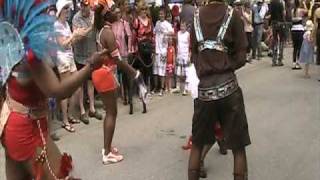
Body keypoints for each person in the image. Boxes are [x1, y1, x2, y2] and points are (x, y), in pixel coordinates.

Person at [0, 0, 107, 179]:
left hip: (12, 123)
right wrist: (90, 66)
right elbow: (57, 90)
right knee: (59, 176)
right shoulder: (30, 55)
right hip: (26, 127)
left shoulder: (14, 47)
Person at [189, 1, 251, 180]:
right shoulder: (233, 15)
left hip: (204, 90)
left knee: (197, 145)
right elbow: (241, 57)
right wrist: (224, 66)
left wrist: (205, 68)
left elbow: (193, 53)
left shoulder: (196, 16)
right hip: (229, 89)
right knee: (238, 148)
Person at [92, 0, 146, 164]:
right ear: (107, 14)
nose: (118, 11)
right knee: (111, 113)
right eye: (115, 9)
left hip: (103, 73)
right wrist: (134, 72)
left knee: (110, 112)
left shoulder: (102, 30)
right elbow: (118, 60)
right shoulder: (108, 33)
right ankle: (107, 153)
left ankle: (106, 147)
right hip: (105, 73)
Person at [55, 0, 85, 132]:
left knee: (77, 88)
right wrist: (74, 35)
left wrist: (78, 35)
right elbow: (62, 44)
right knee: (66, 91)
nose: (68, 11)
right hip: (62, 59)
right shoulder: (56, 26)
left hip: (70, 57)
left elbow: (70, 42)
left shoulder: (66, 24)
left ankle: (70, 115)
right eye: (66, 8)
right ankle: (65, 120)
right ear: (60, 10)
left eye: (68, 8)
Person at [72, 0, 103, 124]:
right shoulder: (76, 18)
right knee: (80, 84)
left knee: (91, 82)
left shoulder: (93, 15)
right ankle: (82, 111)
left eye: (86, 6)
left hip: (91, 55)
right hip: (79, 55)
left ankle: (92, 109)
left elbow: (97, 35)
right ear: (80, 6)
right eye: (83, 6)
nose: (85, 8)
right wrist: (90, 27)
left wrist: (100, 52)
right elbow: (78, 36)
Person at [153, 7, 174, 96]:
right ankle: (156, 87)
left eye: (162, 14)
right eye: (159, 14)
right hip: (157, 49)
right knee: (155, 69)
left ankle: (162, 88)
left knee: (162, 69)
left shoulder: (167, 24)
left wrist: (165, 33)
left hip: (163, 50)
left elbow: (172, 33)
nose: (161, 15)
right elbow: (154, 33)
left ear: (164, 15)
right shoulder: (157, 23)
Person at [174, 21, 190, 95]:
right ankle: (178, 87)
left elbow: (190, 47)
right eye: (181, 26)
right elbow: (177, 44)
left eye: (183, 26)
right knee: (178, 73)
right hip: (179, 55)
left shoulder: (188, 34)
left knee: (186, 73)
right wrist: (176, 55)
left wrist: (189, 56)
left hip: (185, 55)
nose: (182, 27)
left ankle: (186, 89)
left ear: (186, 27)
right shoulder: (178, 33)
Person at [291, 0, 308, 70]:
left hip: (293, 30)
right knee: (299, 47)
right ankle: (298, 63)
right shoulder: (300, 10)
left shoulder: (293, 11)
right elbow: (307, 11)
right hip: (299, 30)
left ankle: (294, 62)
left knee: (295, 47)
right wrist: (304, 4)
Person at [269, 0, 286, 66]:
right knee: (281, 41)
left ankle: (274, 60)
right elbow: (283, 14)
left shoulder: (271, 3)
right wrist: (284, 22)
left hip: (273, 23)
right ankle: (280, 60)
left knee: (275, 40)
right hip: (280, 23)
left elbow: (270, 14)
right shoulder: (280, 3)